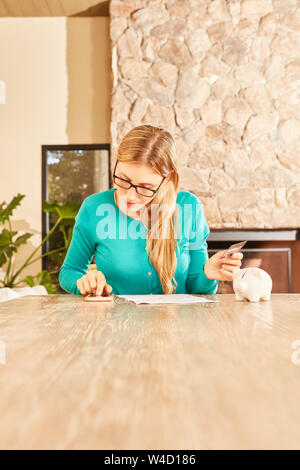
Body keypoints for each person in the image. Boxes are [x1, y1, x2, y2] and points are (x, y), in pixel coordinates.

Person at [58, 125, 243, 297]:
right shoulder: (94, 208)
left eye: (145, 187)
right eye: (123, 179)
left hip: (177, 326)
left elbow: (197, 288)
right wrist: (84, 282)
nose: (130, 196)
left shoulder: (189, 208)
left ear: (168, 178)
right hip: (117, 325)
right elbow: (69, 272)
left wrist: (209, 274)